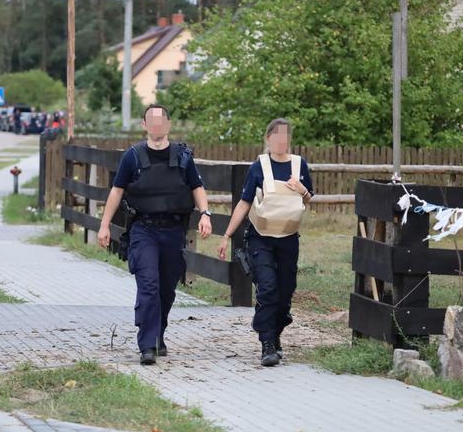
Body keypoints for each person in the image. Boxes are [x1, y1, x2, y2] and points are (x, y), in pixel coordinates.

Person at [98, 104, 213, 365]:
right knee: (148, 285)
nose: (157, 126)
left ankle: (158, 333)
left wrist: (205, 214)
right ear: (144, 125)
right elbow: (116, 191)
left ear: (169, 125)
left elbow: (197, 187)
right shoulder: (133, 157)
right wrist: (104, 225)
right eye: (152, 121)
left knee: (166, 289)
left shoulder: (183, 157)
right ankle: (147, 345)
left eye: (162, 121)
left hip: (173, 230)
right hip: (143, 229)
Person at [218, 118, 313, 367]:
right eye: (277, 137)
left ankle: (275, 331)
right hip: (261, 238)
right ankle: (267, 344)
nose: (282, 142)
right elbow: (245, 202)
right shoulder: (258, 166)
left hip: (288, 238)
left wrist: (302, 189)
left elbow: (308, 199)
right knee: (268, 287)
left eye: (286, 137)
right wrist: (227, 234)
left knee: (285, 293)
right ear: (268, 138)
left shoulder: (299, 164)